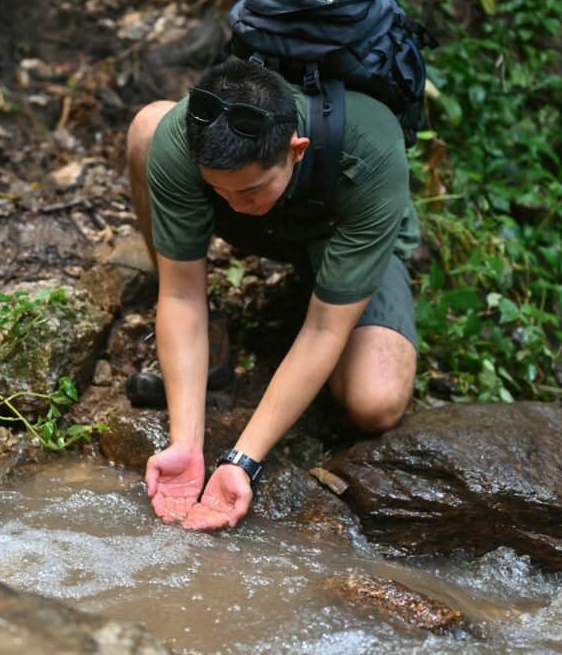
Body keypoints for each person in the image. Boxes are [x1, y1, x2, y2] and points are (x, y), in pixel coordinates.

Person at [125, 59, 420, 532]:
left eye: (249, 189)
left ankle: (328, 282)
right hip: (266, 222)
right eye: (217, 189)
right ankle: (211, 341)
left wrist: (242, 461)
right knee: (148, 126)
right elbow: (180, 296)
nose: (234, 204)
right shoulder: (190, 143)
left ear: (296, 149)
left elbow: (325, 328)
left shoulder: (370, 150)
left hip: (337, 226)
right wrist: (186, 445)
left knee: (376, 401)